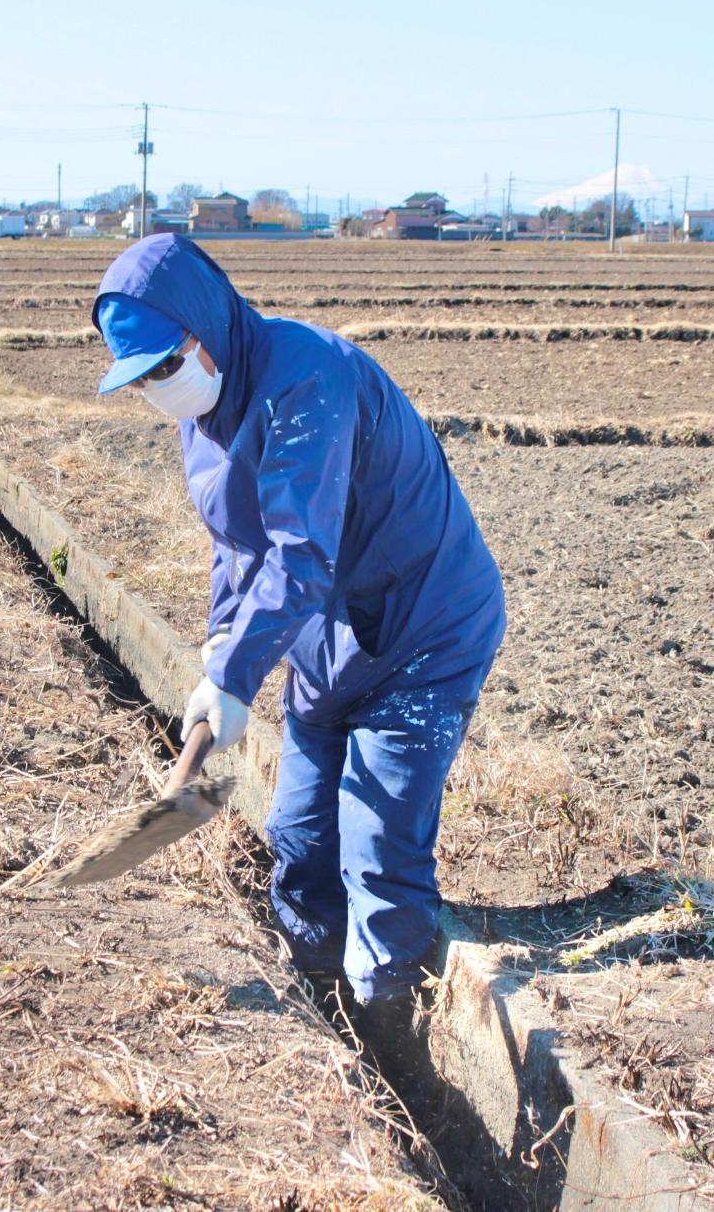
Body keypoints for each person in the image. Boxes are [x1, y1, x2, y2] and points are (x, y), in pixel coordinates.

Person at [92, 234, 505, 1013]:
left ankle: (388, 1018)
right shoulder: (204, 407)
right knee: (301, 837)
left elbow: (299, 552)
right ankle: (321, 1004)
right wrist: (223, 641)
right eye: (140, 377)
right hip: (327, 641)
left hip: (422, 627)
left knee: (378, 851)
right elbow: (235, 541)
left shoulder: (307, 379)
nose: (156, 387)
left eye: (164, 365)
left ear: (205, 329)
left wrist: (238, 675)